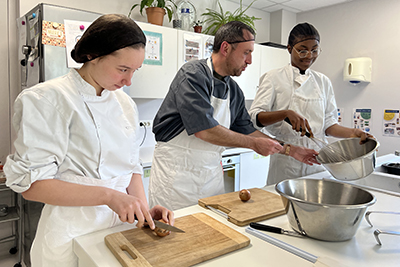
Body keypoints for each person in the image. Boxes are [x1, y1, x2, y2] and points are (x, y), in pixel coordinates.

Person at [4, 14, 173, 267]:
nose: (129, 81)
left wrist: (143, 211)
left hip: (119, 232)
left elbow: (131, 167)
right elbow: (32, 186)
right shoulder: (45, 99)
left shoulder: (124, 103)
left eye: (134, 71)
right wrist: (110, 197)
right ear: (92, 55)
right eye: (123, 69)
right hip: (70, 234)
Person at [148, 21, 319, 211]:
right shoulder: (193, 75)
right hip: (175, 178)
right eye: (246, 53)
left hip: (211, 178)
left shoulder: (233, 91)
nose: (250, 61)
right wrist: (253, 144)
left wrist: (290, 150)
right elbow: (204, 131)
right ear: (225, 48)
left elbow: (248, 130)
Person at [249, 22, 372, 185]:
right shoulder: (273, 77)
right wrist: (285, 114)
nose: (309, 56)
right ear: (289, 48)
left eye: (315, 50)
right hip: (287, 160)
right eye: (302, 50)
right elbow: (254, 118)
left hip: (318, 160)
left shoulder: (323, 82)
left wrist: (353, 133)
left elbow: (328, 124)